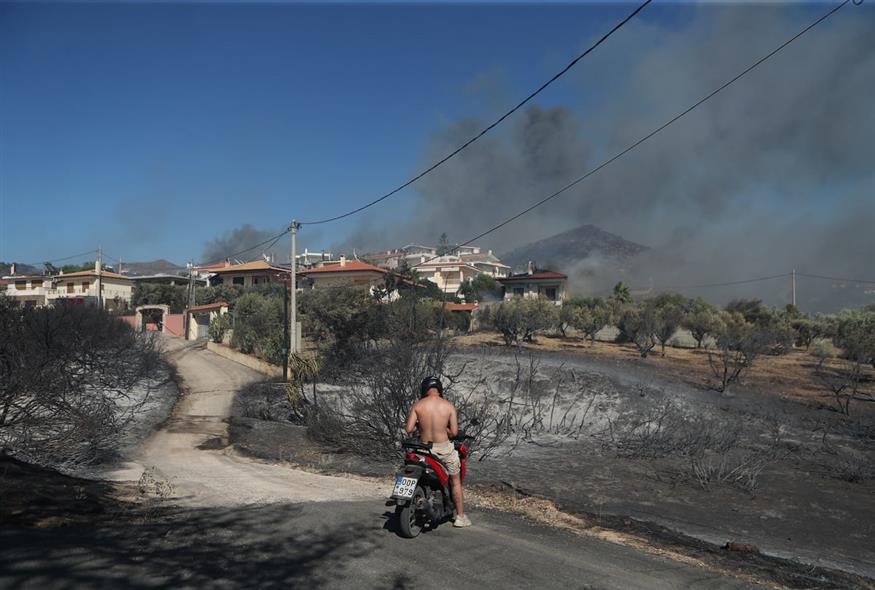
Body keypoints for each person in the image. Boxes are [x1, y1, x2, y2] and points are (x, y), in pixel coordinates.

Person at [405, 376, 472, 528]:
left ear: (424, 389)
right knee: (455, 482)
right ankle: (460, 517)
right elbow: (454, 432)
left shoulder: (418, 405)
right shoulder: (448, 406)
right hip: (443, 449)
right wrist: (444, 429)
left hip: (423, 449)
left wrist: (420, 426)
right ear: (439, 390)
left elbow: (409, 429)